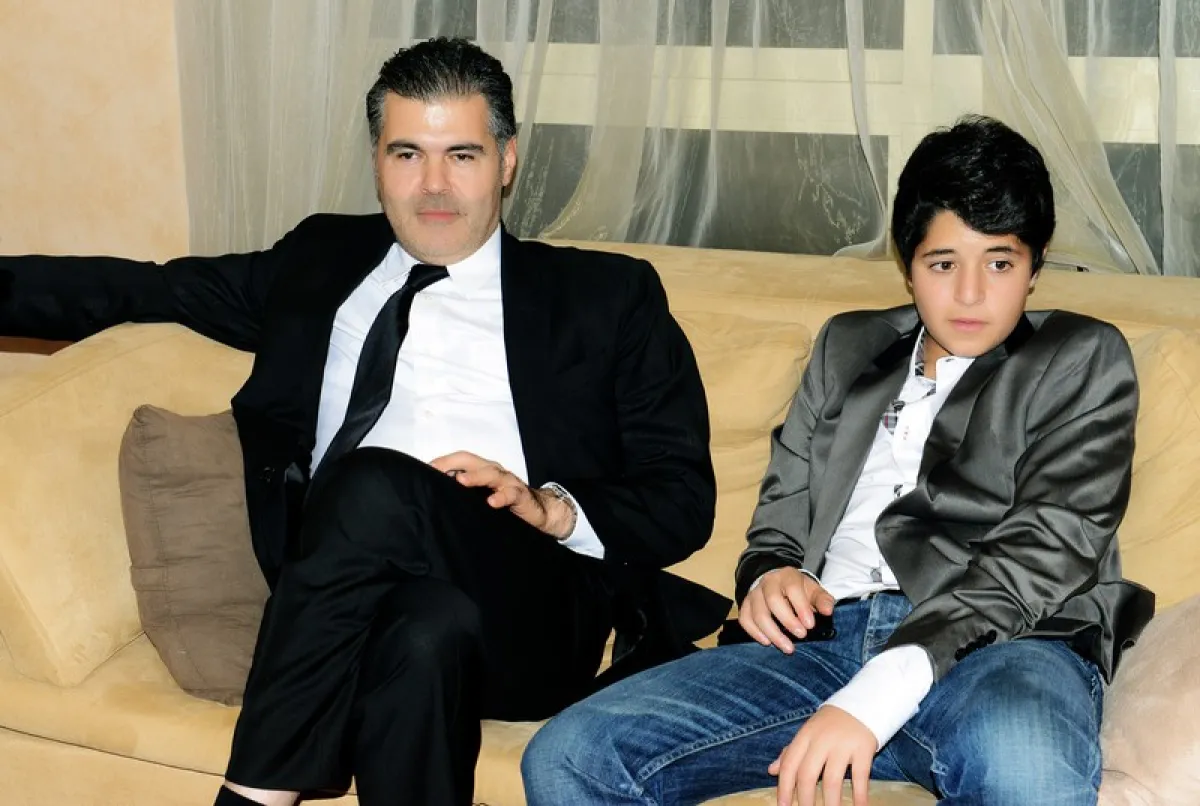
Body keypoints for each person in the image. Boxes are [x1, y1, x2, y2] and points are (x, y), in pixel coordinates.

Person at [0, 37, 730, 806]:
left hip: (536, 611)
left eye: (463, 156)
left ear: (507, 161)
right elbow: (140, 290)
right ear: (377, 160)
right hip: (353, 614)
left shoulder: (605, 296)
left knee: (371, 482)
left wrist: (548, 507)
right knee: (423, 631)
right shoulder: (321, 260)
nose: (435, 186)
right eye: (408, 154)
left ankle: (255, 792)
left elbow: (682, 497)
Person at [521, 115, 1156, 806]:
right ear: (907, 265)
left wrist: (879, 693)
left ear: (1035, 266)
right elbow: (781, 517)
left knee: (1027, 771)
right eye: (943, 264)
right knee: (572, 754)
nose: (971, 294)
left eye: (999, 263)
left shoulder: (1079, 357)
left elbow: (1046, 549)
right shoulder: (848, 347)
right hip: (821, 647)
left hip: (1003, 648)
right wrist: (771, 574)